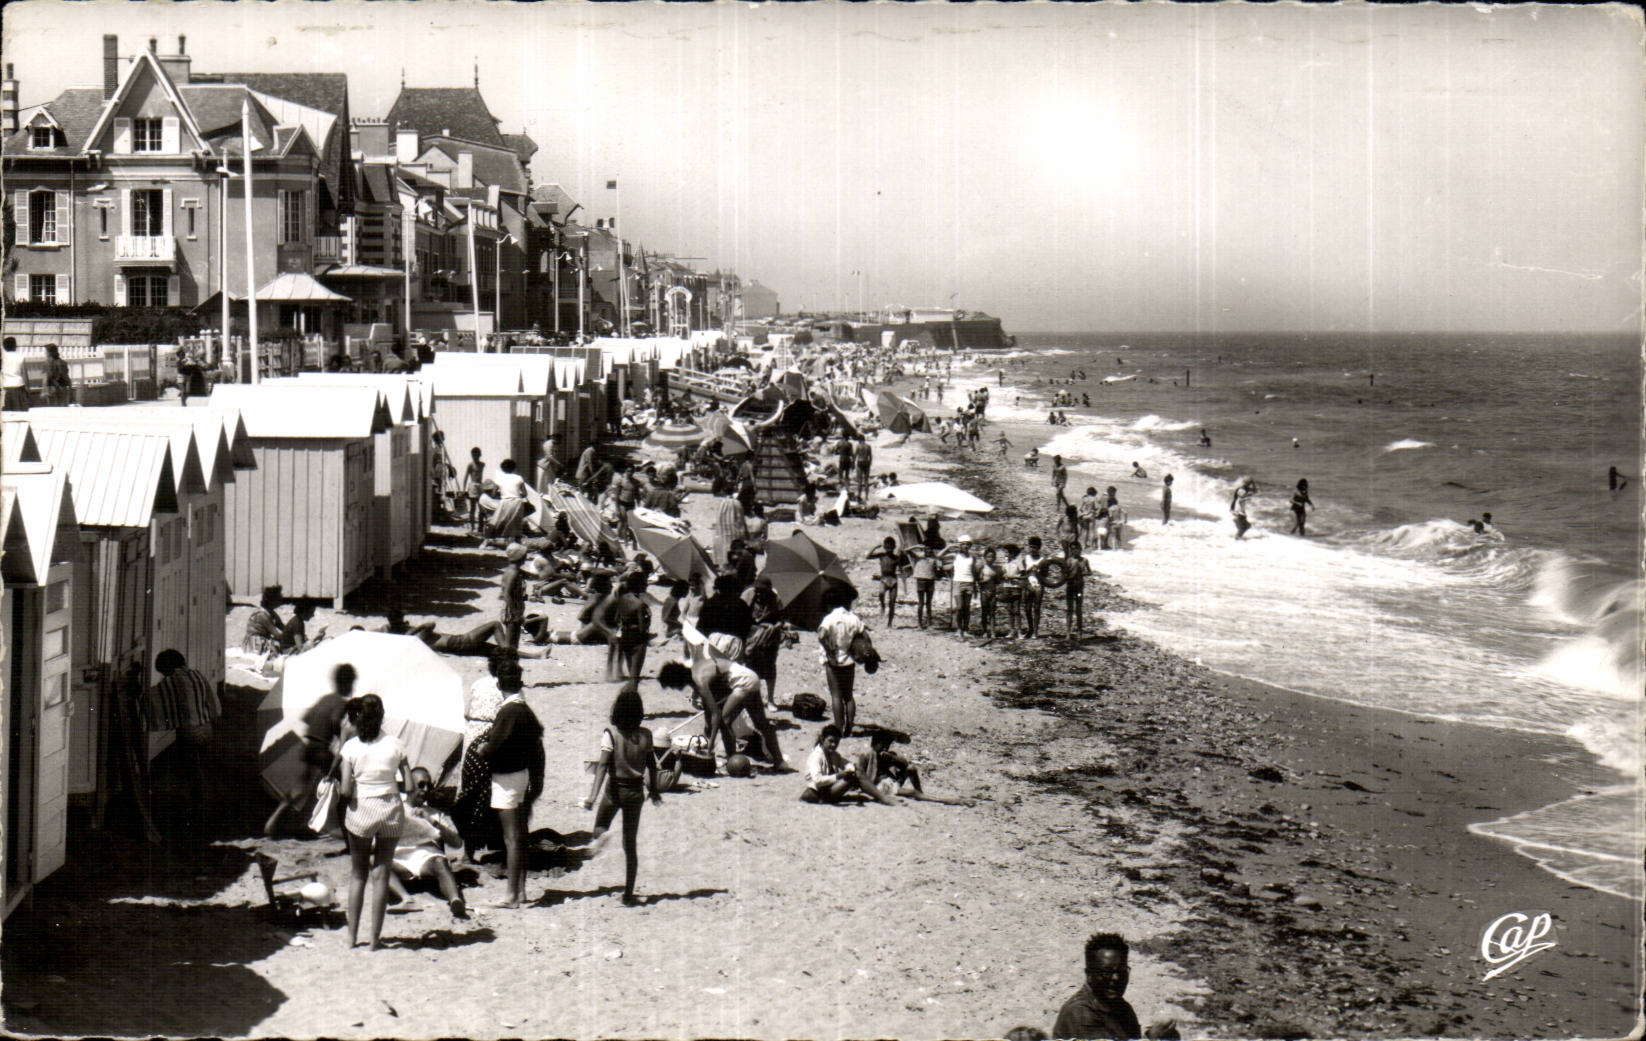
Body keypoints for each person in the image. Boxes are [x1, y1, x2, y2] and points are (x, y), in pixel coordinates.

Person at [338, 694, 410, 950]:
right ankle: (374, 941)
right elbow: (410, 785)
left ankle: (351, 938)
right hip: (390, 808)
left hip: (362, 808)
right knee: (382, 873)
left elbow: (346, 791)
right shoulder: (396, 744)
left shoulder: (350, 748)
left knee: (358, 874)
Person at [583, 682, 664, 906]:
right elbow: (652, 767)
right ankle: (628, 894)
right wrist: (654, 790)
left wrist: (592, 796)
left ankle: (603, 837)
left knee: (599, 827)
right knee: (631, 845)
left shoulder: (611, 734)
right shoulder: (646, 735)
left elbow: (602, 766)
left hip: (615, 789)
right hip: (636, 791)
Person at [475, 665, 544, 908]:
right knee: (520, 835)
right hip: (522, 773)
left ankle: (512, 895)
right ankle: (521, 891)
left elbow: (493, 746)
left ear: (498, 685)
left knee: (512, 838)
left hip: (507, 778)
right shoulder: (524, 709)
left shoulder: (509, 711)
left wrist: (484, 748)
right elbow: (538, 734)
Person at [141, 649, 223, 844]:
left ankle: (195, 810)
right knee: (198, 766)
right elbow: (212, 703)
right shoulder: (196, 675)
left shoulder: (174, 680)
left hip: (189, 733)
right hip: (206, 729)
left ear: (169, 667)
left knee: (190, 771)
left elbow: (153, 698)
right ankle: (199, 805)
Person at [1053, 932, 1178, 1041]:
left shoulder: (1121, 1008)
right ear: (1089, 974)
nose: (1116, 978)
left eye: (1122, 971)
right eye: (1106, 972)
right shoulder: (1080, 1013)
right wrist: (1152, 1038)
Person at [390, 767, 467, 920]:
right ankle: (407, 899)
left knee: (439, 861)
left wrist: (432, 821)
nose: (425, 790)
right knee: (376, 860)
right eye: (421, 785)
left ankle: (455, 900)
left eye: (428, 786)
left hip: (426, 857)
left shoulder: (434, 812)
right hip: (399, 856)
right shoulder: (395, 808)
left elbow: (457, 843)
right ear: (409, 785)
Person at [853, 731, 972, 805]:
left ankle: (921, 794)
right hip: (880, 785)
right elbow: (864, 777)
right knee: (911, 792)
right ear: (874, 744)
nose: (884, 748)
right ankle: (942, 800)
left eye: (887, 746)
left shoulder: (887, 756)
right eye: (882, 746)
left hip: (891, 781)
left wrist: (892, 758)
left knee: (912, 768)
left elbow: (904, 765)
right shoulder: (868, 755)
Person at [816, 587, 867, 737]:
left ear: (828, 604)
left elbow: (821, 635)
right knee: (848, 696)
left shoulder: (829, 619)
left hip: (834, 661)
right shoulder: (852, 617)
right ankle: (850, 726)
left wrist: (828, 649)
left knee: (836, 695)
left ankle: (839, 727)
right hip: (849, 660)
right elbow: (863, 634)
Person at [801, 725, 896, 805]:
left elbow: (846, 763)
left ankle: (880, 796)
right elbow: (817, 781)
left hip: (829, 789)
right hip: (819, 792)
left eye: (836, 742)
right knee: (857, 773)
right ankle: (882, 797)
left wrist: (850, 769)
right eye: (830, 741)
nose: (833, 745)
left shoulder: (832, 754)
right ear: (822, 739)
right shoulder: (816, 756)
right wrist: (839, 775)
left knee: (856, 769)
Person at [697, 573, 755, 661]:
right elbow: (747, 628)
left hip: (713, 643)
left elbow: (701, 627)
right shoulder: (741, 605)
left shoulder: (710, 603)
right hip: (734, 645)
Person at [867, 536, 907, 627]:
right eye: (887, 547)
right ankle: (882, 605)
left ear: (894, 547)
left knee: (892, 603)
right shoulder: (882, 555)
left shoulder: (896, 558)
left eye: (891, 548)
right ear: (884, 547)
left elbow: (902, 568)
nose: (889, 550)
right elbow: (868, 556)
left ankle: (889, 623)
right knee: (881, 593)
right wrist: (876, 547)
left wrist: (903, 553)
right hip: (884, 579)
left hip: (893, 580)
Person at [241, 585, 288, 657]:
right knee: (278, 647)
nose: (281, 600)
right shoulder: (262, 614)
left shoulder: (271, 612)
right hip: (255, 641)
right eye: (279, 598)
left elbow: (282, 627)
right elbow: (276, 634)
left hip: (263, 638)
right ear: (272, 600)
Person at [944, 535, 977, 635]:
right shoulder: (955, 555)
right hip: (958, 582)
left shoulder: (972, 557)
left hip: (969, 582)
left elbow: (973, 572)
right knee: (959, 607)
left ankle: (966, 629)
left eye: (967, 544)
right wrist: (948, 548)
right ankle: (959, 629)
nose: (965, 546)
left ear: (970, 546)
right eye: (963, 544)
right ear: (960, 545)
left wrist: (975, 587)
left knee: (967, 607)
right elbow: (939, 556)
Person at [1016, 537, 1047, 638]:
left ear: (1039, 548)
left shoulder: (1043, 560)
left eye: (1035, 547)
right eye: (1031, 547)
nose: (1033, 549)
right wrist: (1029, 570)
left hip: (1038, 585)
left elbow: (1046, 575)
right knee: (1027, 608)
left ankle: (1036, 631)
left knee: (1037, 608)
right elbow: (1022, 573)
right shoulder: (1026, 558)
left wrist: (1039, 570)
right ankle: (1030, 628)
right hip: (1028, 584)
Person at [499, 544, 528, 650]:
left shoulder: (512, 571)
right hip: (512, 609)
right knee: (511, 641)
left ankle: (512, 663)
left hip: (514, 607)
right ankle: (507, 663)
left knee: (514, 640)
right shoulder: (513, 573)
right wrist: (514, 612)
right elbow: (507, 593)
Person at [1063, 539, 1090, 636]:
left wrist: (1082, 572)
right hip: (1070, 585)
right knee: (1069, 608)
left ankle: (1079, 631)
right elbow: (1064, 573)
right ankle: (1068, 632)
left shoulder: (1084, 560)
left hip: (1079, 586)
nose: (1075, 551)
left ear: (1080, 549)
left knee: (1078, 608)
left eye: (1077, 549)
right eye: (1072, 549)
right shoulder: (1069, 560)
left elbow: (1089, 572)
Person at [909, 545, 938, 629]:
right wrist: (917, 546)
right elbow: (907, 550)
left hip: (930, 581)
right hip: (921, 581)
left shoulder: (934, 559)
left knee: (929, 603)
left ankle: (929, 622)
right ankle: (920, 622)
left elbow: (936, 570)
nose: (928, 551)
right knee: (921, 603)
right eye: (927, 549)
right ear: (924, 550)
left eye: (930, 549)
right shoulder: (918, 557)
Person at [462, 447, 488, 535]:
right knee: (472, 508)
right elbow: (466, 477)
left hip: (480, 485)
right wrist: (464, 489)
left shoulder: (482, 464)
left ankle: (480, 527)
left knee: (481, 507)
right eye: (473, 455)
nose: (475, 457)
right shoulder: (470, 465)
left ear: (480, 455)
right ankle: (472, 526)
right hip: (473, 485)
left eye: (477, 455)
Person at [2, 336, 29, 410]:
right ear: (15, 346)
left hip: (6, 387)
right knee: (19, 410)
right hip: (19, 386)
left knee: (7, 411)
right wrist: (28, 388)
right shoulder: (20, 357)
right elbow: (24, 374)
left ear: (4, 346)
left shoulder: (3, 357)